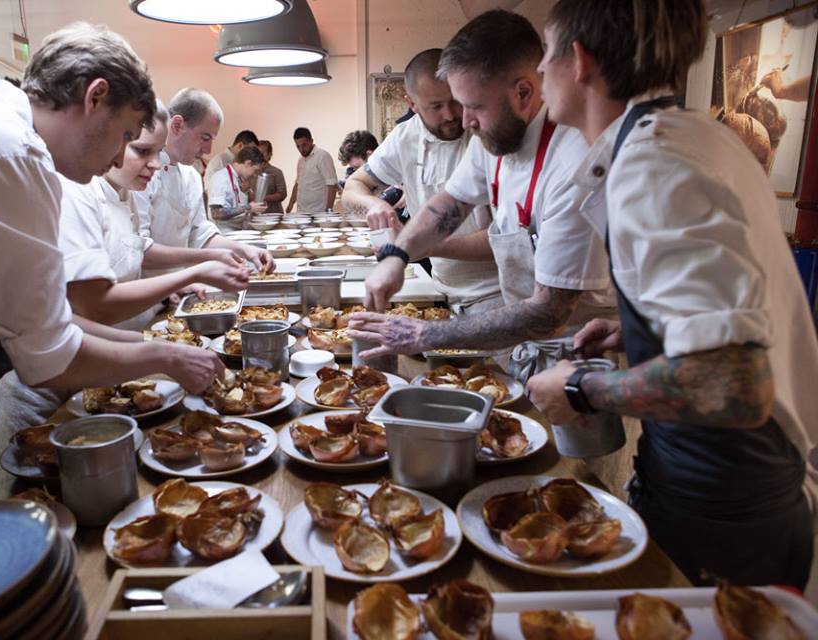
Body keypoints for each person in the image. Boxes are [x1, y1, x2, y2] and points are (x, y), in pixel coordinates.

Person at [0, 23, 221, 543]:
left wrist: (155, 343)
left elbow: (50, 317)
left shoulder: (1, 143)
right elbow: (51, 357)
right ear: (95, 97)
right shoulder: (7, 154)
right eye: (125, 135)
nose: (121, 158)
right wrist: (167, 357)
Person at [526, 0, 817, 590]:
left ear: (579, 62)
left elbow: (737, 380)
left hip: (723, 501)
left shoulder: (653, 162)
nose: (538, 73)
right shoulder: (692, 133)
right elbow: (732, 311)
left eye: (544, 55)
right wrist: (644, 330)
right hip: (721, 483)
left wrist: (584, 388)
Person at [348, 11, 613, 364]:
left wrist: (423, 334)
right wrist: (397, 256)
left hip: (580, 344)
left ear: (523, 92)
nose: (464, 120)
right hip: (526, 330)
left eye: (472, 106)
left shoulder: (573, 162)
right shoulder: (491, 138)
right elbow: (450, 203)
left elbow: (550, 310)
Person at [0, 103, 247, 433]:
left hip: (95, 370)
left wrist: (151, 340)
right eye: (141, 150)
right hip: (45, 387)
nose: (154, 164)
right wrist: (158, 344)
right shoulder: (77, 193)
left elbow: (131, 261)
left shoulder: (125, 196)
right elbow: (90, 308)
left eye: (156, 152)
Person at [341, 48, 503, 312]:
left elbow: (506, 238)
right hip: (439, 289)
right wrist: (375, 205)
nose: (451, 115)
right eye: (435, 106)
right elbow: (353, 187)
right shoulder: (405, 137)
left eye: (456, 101)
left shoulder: (485, 136)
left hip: (496, 294)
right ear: (411, 103)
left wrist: (420, 246)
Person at [134, 89, 273, 277]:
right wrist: (204, 257)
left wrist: (245, 250)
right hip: (148, 293)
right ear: (177, 125)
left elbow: (200, 234)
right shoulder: (141, 173)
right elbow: (138, 250)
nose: (208, 149)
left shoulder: (191, 176)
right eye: (205, 137)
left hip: (181, 287)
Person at [208, 145, 268, 231]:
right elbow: (216, 214)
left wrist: (253, 209)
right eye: (255, 171)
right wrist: (248, 207)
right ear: (248, 163)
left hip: (237, 231)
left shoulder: (237, 178)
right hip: (223, 233)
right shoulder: (221, 178)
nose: (255, 175)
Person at [286, 127, 338, 213]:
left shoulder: (322, 156)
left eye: (304, 145)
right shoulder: (301, 160)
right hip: (301, 212)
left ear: (311, 141)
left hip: (318, 212)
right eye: (298, 146)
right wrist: (290, 204)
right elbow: (298, 184)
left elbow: (332, 185)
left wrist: (329, 210)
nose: (301, 149)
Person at [204, 129, 259, 195]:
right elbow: (210, 191)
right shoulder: (219, 161)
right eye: (249, 150)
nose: (251, 155)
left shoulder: (242, 165)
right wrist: (240, 189)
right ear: (240, 146)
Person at [257, 139, 288, 214]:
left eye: (262, 153)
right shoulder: (250, 172)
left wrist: (262, 198)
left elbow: (282, 194)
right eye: (257, 153)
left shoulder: (277, 172)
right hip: (255, 217)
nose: (259, 156)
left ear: (269, 154)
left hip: (273, 215)